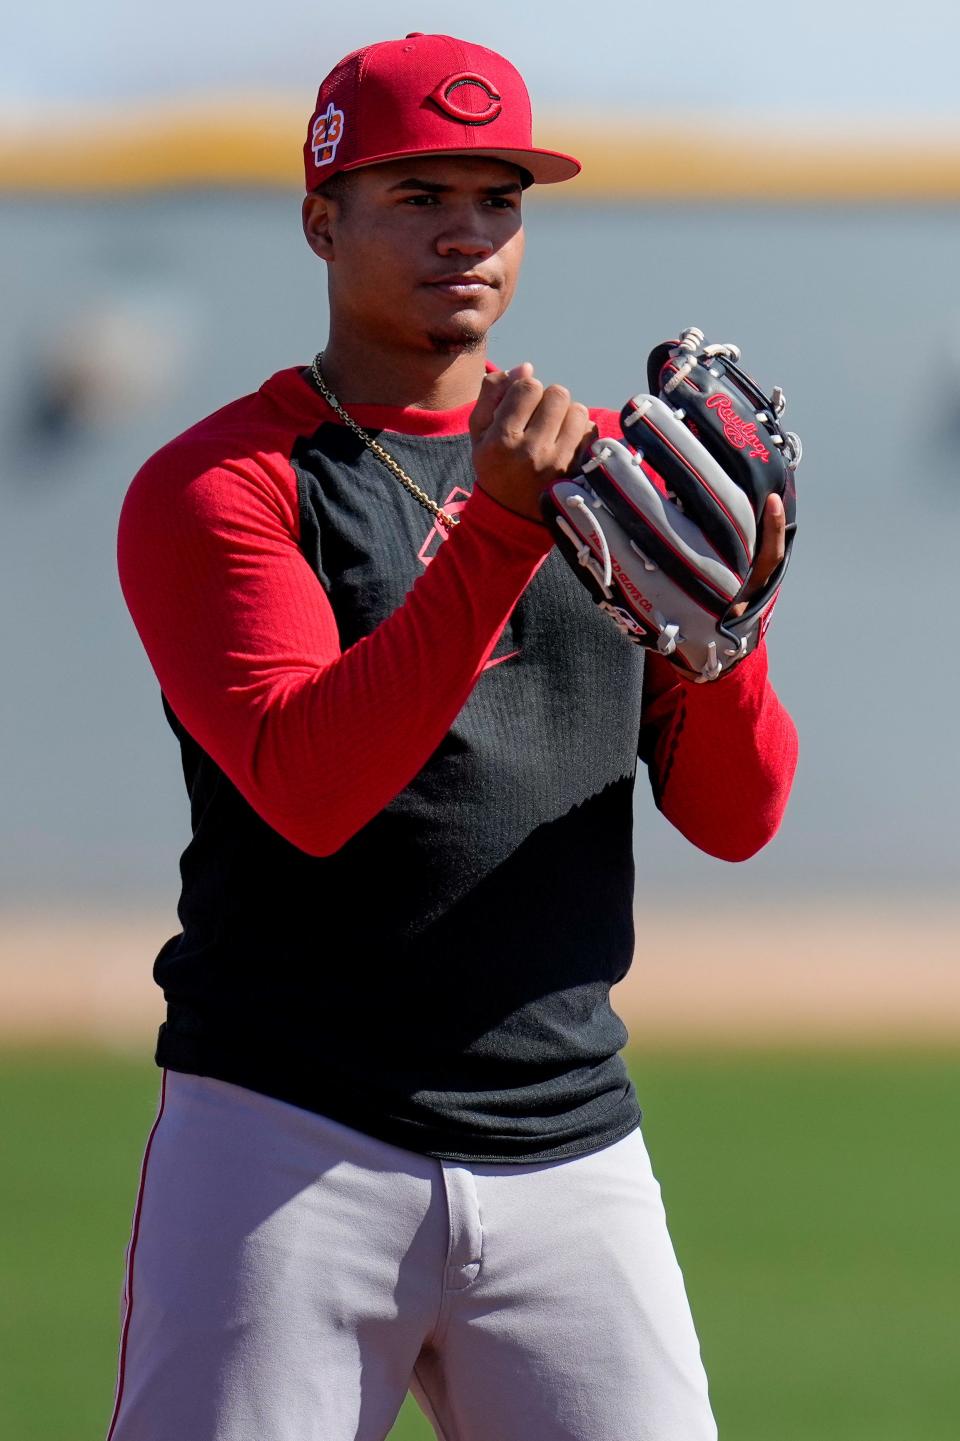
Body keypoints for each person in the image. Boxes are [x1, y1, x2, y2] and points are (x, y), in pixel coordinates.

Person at [110, 31, 798, 1441]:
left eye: (499, 197)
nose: (467, 233)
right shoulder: (224, 484)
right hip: (283, 1137)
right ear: (322, 218)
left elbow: (737, 815)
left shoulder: (619, 481)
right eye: (418, 194)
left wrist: (724, 636)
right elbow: (313, 785)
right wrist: (496, 527)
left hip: (569, 1141)